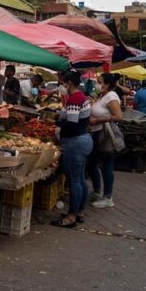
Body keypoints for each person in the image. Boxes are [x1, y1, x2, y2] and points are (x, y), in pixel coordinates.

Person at [51, 71, 92, 228]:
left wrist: (56, 122)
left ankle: (71, 216)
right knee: (80, 178)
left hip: (75, 142)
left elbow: (72, 124)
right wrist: (60, 115)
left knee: (74, 181)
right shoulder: (82, 97)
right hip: (83, 140)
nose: (62, 86)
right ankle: (79, 211)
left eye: (63, 83)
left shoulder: (74, 99)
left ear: (69, 83)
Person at [88, 73, 123, 209]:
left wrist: (97, 120)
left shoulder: (111, 96)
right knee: (92, 163)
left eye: (99, 81)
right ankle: (97, 191)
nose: (97, 84)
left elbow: (118, 116)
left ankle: (108, 197)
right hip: (96, 133)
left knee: (106, 166)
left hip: (105, 134)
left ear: (107, 84)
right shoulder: (103, 95)